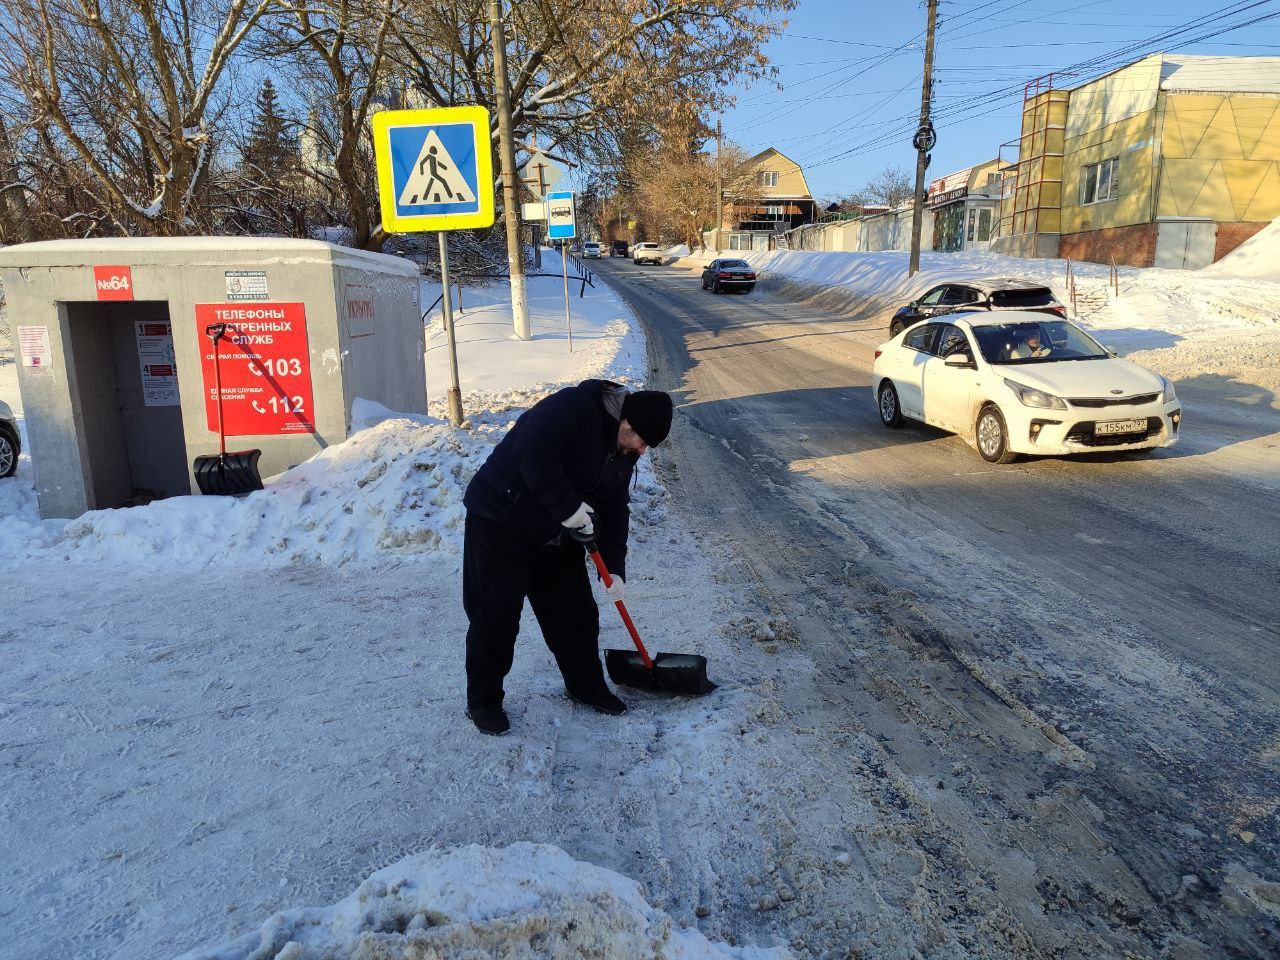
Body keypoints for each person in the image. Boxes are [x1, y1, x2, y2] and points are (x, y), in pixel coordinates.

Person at [460, 380, 674, 735]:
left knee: (575, 614)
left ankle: (586, 686)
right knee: (496, 616)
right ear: (625, 420)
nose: (641, 449)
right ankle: (484, 701)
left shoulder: (626, 453)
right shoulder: (575, 407)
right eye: (640, 438)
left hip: (555, 534)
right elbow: (532, 450)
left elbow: (616, 508)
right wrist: (568, 508)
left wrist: (615, 570)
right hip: (501, 520)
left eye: (647, 444)